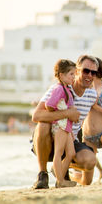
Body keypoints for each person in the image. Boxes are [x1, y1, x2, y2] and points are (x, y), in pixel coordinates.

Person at [31, 55, 99, 188]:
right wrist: (68, 113)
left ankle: (60, 170)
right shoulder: (59, 88)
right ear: (78, 71)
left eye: (93, 72)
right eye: (86, 71)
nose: (89, 75)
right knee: (43, 124)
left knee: (90, 161)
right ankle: (42, 174)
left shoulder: (92, 95)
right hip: (50, 137)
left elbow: (90, 124)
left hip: (70, 137)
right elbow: (36, 115)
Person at [45, 59, 77, 188]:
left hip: (66, 127)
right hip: (60, 126)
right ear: (61, 75)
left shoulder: (66, 89)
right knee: (58, 152)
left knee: (71, 153)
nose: (74, 77)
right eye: (71, 74)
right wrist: (59, 113)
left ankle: (60, 177)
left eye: (74, 74)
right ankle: (60, 180)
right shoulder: (59, 89)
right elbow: (49, 104)